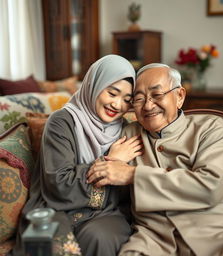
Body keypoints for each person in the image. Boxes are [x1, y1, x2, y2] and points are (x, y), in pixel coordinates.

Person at [87, 63, 223, 256]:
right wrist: (111, 160)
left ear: (180, 96)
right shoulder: (127, 134)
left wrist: (133, 174)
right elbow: (103, 183)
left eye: (157, 95)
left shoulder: (211, 129)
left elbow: (211, 186)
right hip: (156, 240)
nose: (148, 105)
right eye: (139, 99)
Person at [11, 54, 143, 256]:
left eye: (127, 100)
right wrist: (111, 161)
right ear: (95, 85)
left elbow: (125, 188)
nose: (118, 105)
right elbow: (59, 183)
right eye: (112, 93)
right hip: (54, 206)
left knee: (103, 237)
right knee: (52, 244)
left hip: (105, 210)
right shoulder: (61, 122)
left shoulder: (125, 128)